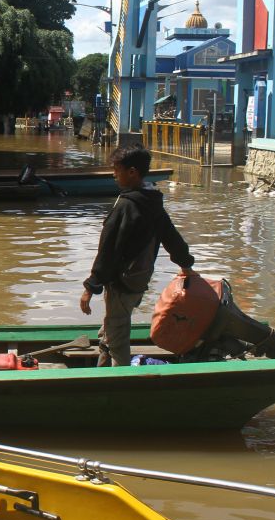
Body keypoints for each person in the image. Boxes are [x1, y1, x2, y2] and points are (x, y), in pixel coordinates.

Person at [79, 144, 196, 367]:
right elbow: (172, 237)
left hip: (121, 283)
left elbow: (108, 251)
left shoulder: (126, 205)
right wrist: (186, 265)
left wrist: (90, 287)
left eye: (117, 170)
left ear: (132, 172)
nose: (114, 175)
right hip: (139, 280)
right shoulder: (152, 202)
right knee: (113, 327)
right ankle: (102, 370)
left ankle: (119, 384)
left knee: (118, 338)